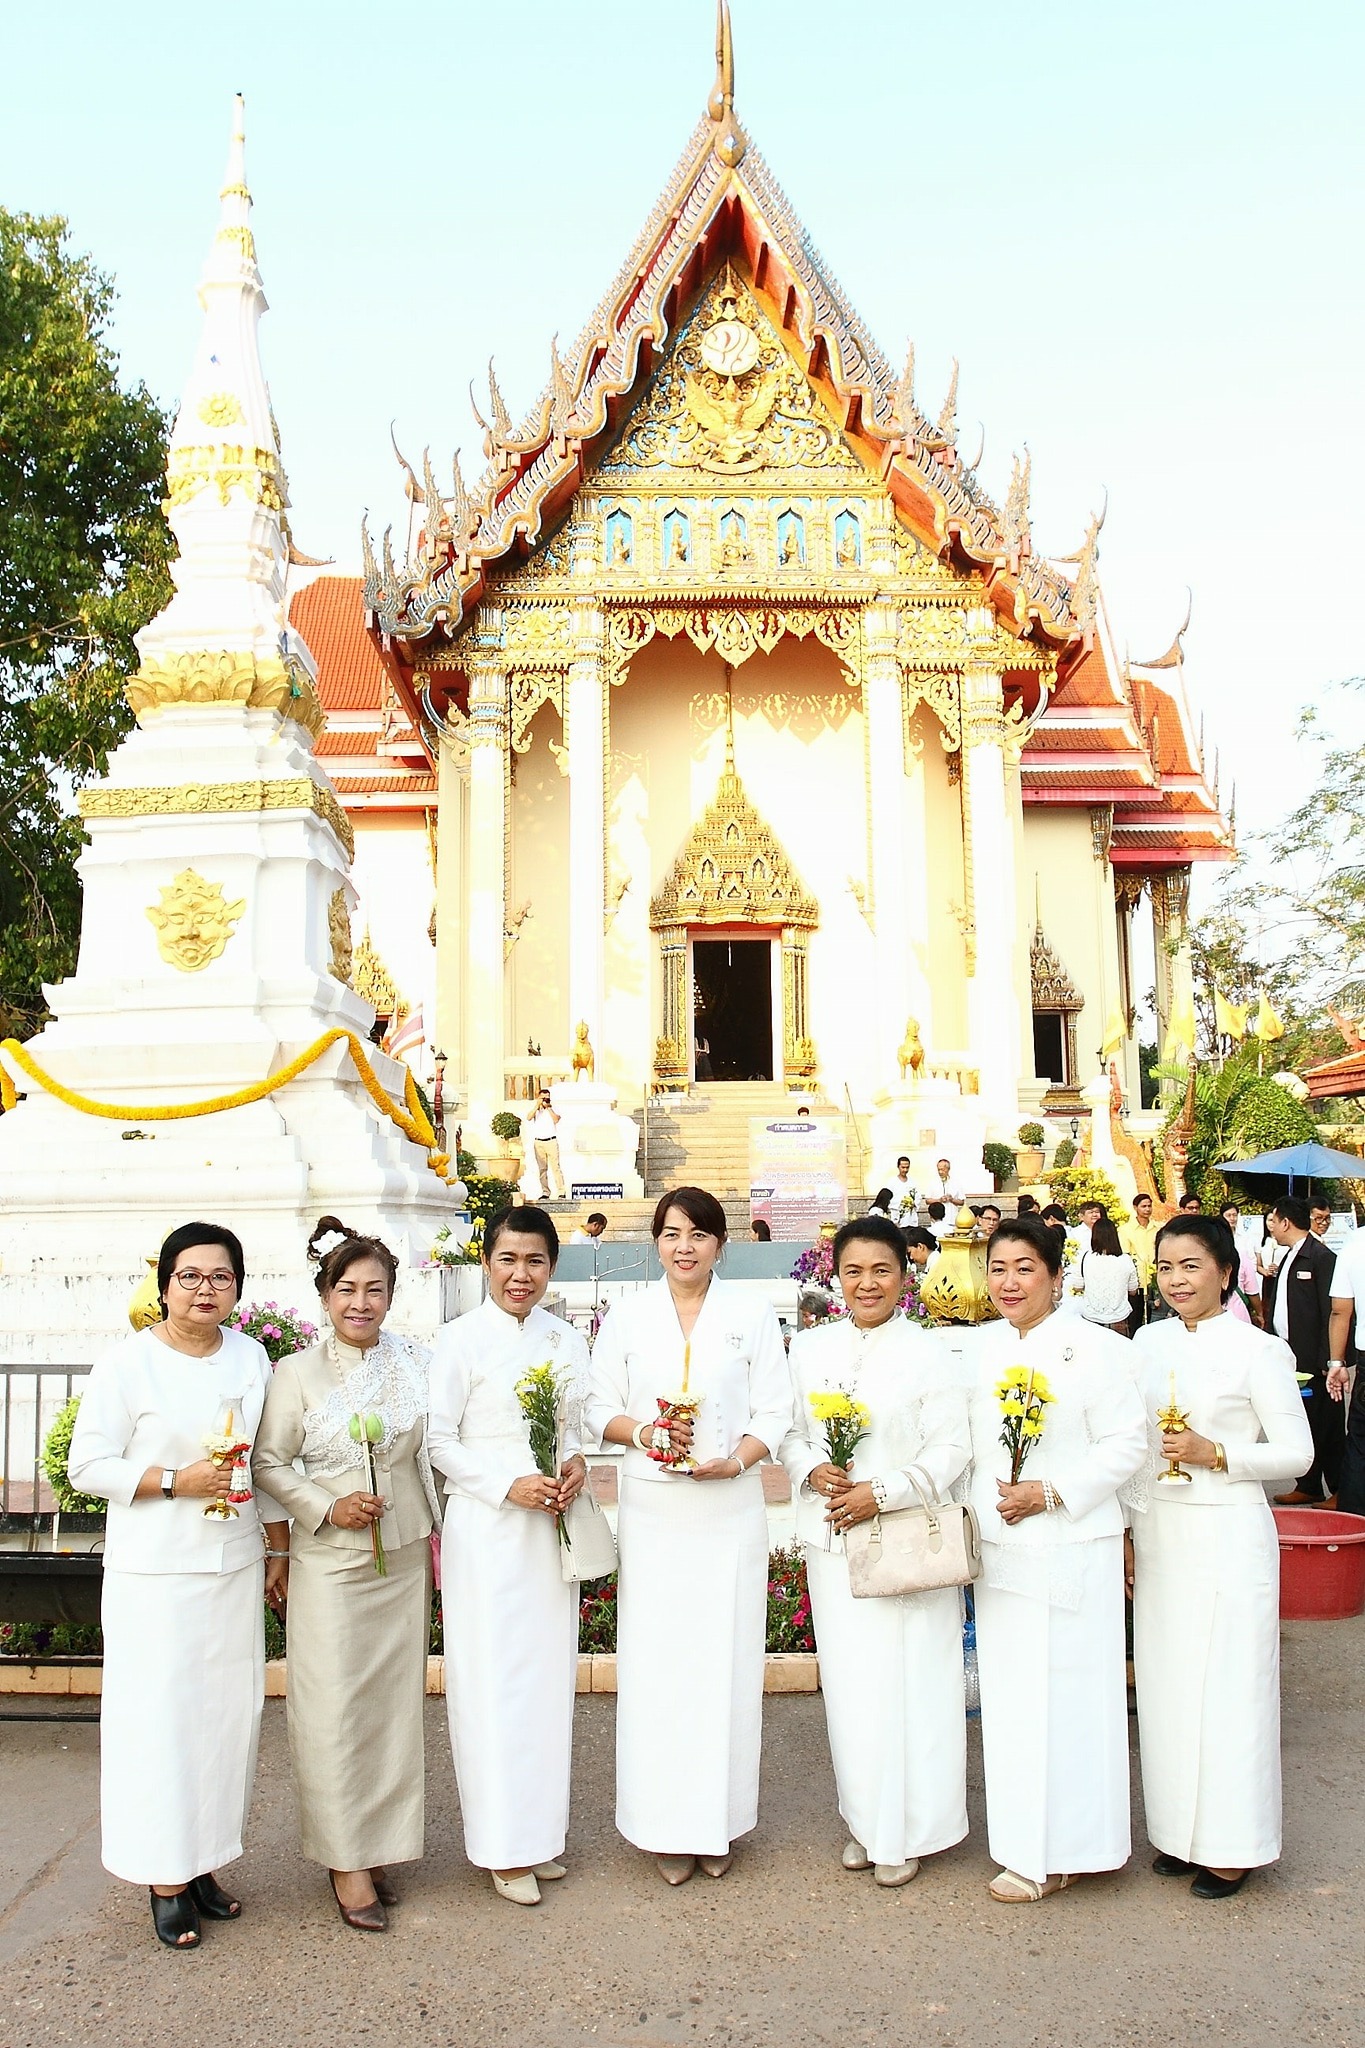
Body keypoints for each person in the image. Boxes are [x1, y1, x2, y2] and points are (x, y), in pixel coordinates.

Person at [68, 1223, 287, 1950]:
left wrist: (277, 1545)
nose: (204, 1290)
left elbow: (264, 1460)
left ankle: (201, 1864)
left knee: (224, 1723)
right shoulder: (128, 1365)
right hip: (154, 1576)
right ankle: (162, 1877)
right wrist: (172, 1481)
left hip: (228, 1567)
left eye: (220, 1277)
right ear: (163, 1284)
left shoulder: (251, 1358)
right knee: (158, 1725)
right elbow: (87, 1465)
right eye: (190, 1276)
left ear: (237, 1288)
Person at [585, 1186, 791, 1886]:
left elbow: (776, 1407)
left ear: (718, 1245)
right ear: (656, 1241)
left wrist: (738, 1459)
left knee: (724, 1664)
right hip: (654, 1511)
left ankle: (716, 1824)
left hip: (726, 1508)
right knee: (658, 1666)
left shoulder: (749, 1314)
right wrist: (643, 1434)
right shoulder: (629, 1316)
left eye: (698, 1235)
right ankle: (661, 1826)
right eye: (671, 1233)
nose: (684, 1246)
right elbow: (596, 1404)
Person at [251, 1219, 438, 1932]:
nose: (361, 1302)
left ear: (391, 1296)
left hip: (402, 1556)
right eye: (347, 1289)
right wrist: (326, 1506)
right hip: (328, 1562)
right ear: (325, 1296)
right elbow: (268, 1462)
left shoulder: (419, 1363)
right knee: (331, 1708)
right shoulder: (295, 1372)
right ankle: (344, 1859)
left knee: (392, 1710)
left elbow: (442, 1445)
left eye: (375, 1290)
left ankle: (381, 1844)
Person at [780, 1217, 971, 1886]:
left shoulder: (929, 1352)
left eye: (881, 1270)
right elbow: (789, 1431)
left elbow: (951, 1449)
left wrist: (882, 1491)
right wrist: (811, 1468)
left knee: (912, 1684)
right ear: (835, 1276)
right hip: (832, 1541)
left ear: (904, 1275)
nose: (867, 1283)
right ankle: (866, 1820)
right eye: (854, 1271)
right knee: (855, 1690)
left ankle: (910, 1830)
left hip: (903, 1540)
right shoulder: (808, 1350)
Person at [1129, 1215, 1312, 1899]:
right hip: (1159, 1534)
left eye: (1191, 1266)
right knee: (1169, 1690)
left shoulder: (1257, 1350)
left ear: (1226, 1272)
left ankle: (1233, 1846)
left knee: (1230, 1692)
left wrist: (1219, 1454)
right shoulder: (1143, 1344)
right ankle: (1180, 1834)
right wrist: (1125, 1528)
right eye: (1166, 1267)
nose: (1176, 1280)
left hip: (1229, 1533)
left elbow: (1297, 1455)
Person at [964, 1216, 1146, 1902]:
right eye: (997, 1269)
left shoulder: (1092, 1350)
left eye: (1023, 1268)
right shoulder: (978, 1351)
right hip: (1003, 1549)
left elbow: (1127, 1444)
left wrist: (1053, 1491)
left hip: (1072, 1545)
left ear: (1055, 1275)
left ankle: (1069, 1849)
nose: (1008, 1282)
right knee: (1012, 1702)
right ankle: (1020, 1844)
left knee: (1070, 1699)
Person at [427, 1206, 590, 1906]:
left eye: (535, 1262)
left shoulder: (567, 1338)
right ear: (485, 1263)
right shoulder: (456, 1340)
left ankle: (538, 1838)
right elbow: (437, 1441)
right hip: (488, 1531)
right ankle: (500, 1847)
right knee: (492, 1685)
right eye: (507, 1260)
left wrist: (576, 1463)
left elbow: (577, 1424)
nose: (520, 1275)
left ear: (551, 1268)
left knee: (545, 1685)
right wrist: (505, 1484)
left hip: (550, 1528)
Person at [1263, 1197, 1340, 1505]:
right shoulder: (1289, 1256)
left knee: (1327, 1427)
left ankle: (1338, 1488)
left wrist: (1329, 1358)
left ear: (1286, 1222)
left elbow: (1333, 1311)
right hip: (1289, 1356)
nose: (1271, 1227)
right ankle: (1308, 1484)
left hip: (1315, 1361)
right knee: (1301, 1423)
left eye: (1273, 1220)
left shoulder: (1320, 1256)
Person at [1327, 1222, 1365, 1515]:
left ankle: (1354, 1529)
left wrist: (1336, 1363)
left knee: (1360, 1446)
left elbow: (1341, 1310)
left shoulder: (1355, 1244)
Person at [1074, 1214, 1140, 1332]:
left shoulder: (1085, 1258)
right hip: (1119, 1317)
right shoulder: (1125, 1259)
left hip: (1091, 1318)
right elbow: (1133, 1290)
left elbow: (1077, 1287)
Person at [1121, 1192, 1159, 1334]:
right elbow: (1125, 1255)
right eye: (1144, 1206)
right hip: (1135, 1279)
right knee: (1135, 1318)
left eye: (1149, 1206)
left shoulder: (1157, 1228)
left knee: (1154, 1315)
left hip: (1154, 1277)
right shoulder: (1125, 1230)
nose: (1147, 1209)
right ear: (1135, 1207)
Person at [529, 1088, 565, 1200]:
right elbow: (528, 1117)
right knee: (542, 1169)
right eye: (543, 1097)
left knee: (556, 1168)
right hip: (539, 1141)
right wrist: (537, 1105)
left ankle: (561, 1191)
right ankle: (545, 1192)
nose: (545, 1099)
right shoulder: (536, 1110)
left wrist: (548, 1108)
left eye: (547, 1097)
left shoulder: (553, 1108)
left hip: (551, 1140)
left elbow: (556, 1119)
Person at [888, 1158, 918, 1226]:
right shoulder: (892, 1182)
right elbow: (888, 1197)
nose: (905, 1170)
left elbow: (917, 1197)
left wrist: (912, 1203)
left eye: (907, 1167)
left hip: (911, 1216)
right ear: (898, 1167)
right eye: (903, 1167)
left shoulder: (913, 1182)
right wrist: (902, 1203)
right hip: (897, 1214)